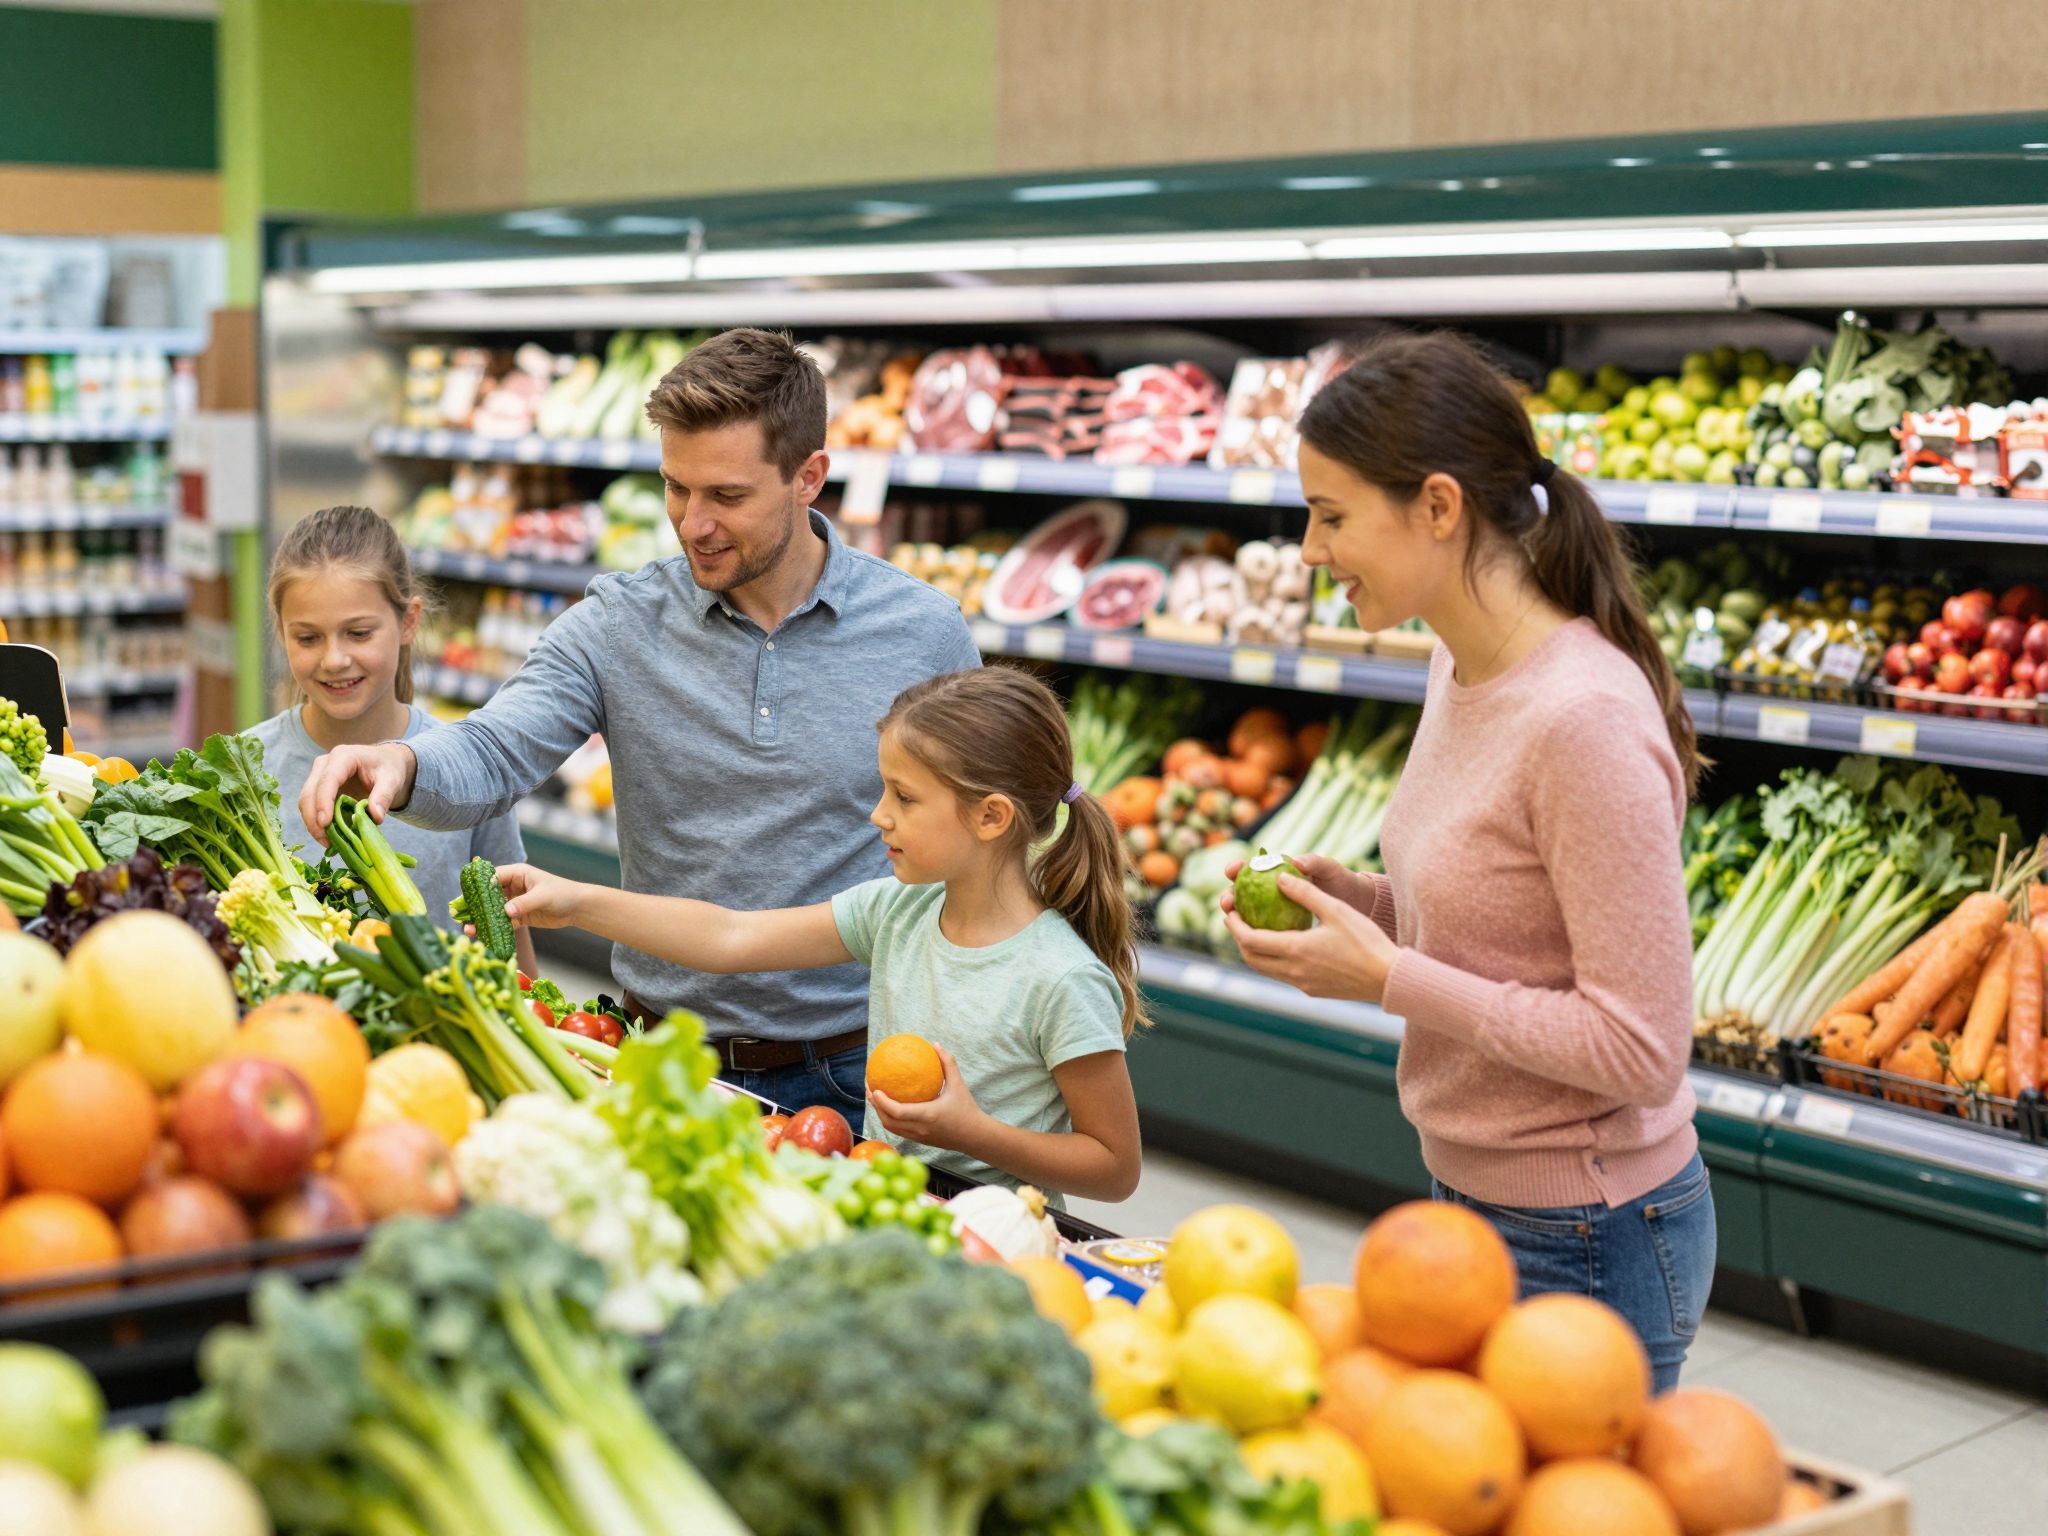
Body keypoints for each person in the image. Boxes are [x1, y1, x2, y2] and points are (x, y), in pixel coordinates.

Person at [296, 328, 981, 1114]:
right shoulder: (621, 621)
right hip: (657, 1058)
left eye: (726, 496)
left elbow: (987, 847)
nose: (692, 524)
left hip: (866, 1067)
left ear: (809, 478)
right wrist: (403, 764)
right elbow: (495, 748)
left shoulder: (923, 632)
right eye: (675, 488)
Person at [1224, 331, 1713, 1389]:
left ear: (1437, 507)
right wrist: (1359, 902)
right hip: (1478, 1195)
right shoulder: (1458, 663)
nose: (1309, 549)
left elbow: (1640, 1048)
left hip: (1588, 1224)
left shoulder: (1580, 719)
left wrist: (1386, 978)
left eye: (1332, 515)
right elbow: (1504, 921)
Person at [491, 666, 1143, 1206]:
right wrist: (577, 902)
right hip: (879, 1197)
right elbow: (731, 938)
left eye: (904, 798)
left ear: (991, 816)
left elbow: (1115, 1168)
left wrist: (972, 1132)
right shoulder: (899, 912)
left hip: (1000, 1235)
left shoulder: (1061, 977)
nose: (877, 814)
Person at [246, 503, 537, 976]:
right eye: (308, 638)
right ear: (281, 632)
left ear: (408, 622)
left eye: (358, 633)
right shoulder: (246, 767)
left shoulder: (467, 766)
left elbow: (510, 936)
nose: (334, 659)